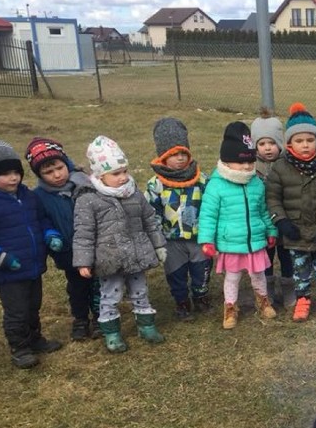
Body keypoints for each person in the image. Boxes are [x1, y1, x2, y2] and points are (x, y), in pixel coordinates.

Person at [73, 136, 166, 353]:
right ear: (99, 174)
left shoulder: (134, 193)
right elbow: (83, 234)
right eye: (116, 173)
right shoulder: (88, 200)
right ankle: (112, 333)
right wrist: (83, 261)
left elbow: (149, 220)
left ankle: (146, 326)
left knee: (140, 291)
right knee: (110, 295)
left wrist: (158, 245)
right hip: (109, 258)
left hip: (136, 255)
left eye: (124, 171)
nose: (123, 177)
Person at [265, 102, 316, 322]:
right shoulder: (279, 168)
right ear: (289, 143)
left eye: (310, 140)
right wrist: (281, 221)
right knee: (299, 267)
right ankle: (302, 298)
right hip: (295, 231)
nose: (305, 145)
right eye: (299, 141)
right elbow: (273, 198)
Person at [197, 121, 278, 329]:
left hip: (254, 241)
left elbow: (263, 210)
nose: (246, 167)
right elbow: (208, 215)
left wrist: (270, 230)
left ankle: (263, 301)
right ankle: (230, 308)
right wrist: (207, 240)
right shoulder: (216, 186)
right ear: (227, 160)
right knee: (232, 278)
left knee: (258, 275)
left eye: (250, 161)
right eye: (240, 162)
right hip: (231, 242)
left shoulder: (256, 183)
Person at [0, 140, 63, 368]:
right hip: (8, 271)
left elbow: (41, 220)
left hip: (33, 266)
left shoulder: (29, 196)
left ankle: (35, 339)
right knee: (17, 310)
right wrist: (0, 257)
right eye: (5, 174)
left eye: (16, 172)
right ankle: (19, 348)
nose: (13, 178)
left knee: (33, 305)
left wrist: (50, 234)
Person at [26, 136, 101, 341]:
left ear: (66, 163)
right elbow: (41, 220)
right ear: (39, 174)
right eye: (48, 172)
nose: (56, 175)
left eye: (59, 167)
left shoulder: (85, 184)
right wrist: (50, 234)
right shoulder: (39, 196)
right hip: (68, 251)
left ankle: (100, 317)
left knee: (98, 283)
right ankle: (80, 319)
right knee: (77, 287)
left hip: (94, 244)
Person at [145, 117, 211, 321]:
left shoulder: (201, 180)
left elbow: (210, 207)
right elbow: (151, 212)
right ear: (163, 157)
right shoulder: (155, 184)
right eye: (173, 155)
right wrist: (156, 239)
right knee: (176, 273)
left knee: (202, 270)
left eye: (184, 153)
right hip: (171, 239)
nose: (180, 158)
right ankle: (181, 301)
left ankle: (201, 296)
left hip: (198, 237)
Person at [252, 109, 295, 309]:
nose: (268, 148)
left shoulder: (289, 164)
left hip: (286, 219)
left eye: (272, 143)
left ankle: (288, 286)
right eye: (262, 144)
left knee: (287, 255)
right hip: (263, 221)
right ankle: (266, 287)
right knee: (266, 256)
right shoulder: (251, 168)